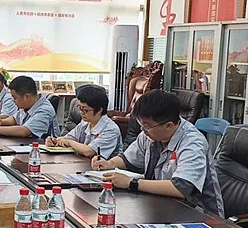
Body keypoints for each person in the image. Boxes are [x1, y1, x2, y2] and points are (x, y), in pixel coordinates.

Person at [91, 89, 224, 217]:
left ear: (169, 126)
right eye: (141, 124)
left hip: (199, 216)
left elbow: (180, 188)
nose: (143, 130)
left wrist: (132, 183)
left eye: (147, 125)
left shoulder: (193, 143)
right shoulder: (150, 134)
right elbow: (128, 160)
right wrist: (109, 163)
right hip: (161, 206)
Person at [46, 85, 122, 159]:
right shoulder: (85, 123)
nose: (81, 113)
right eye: (79, 108)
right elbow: (68, 138)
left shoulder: (110, 129)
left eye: (85, 110)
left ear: (99, 110)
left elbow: (89, 151)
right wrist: (55, 141)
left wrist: (69, 142)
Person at [0, 75, 60, 139]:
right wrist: (2, 122)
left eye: (15, 98)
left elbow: (24, 131)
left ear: (26, 97)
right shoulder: (27, 105)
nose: (13, 100)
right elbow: (15, 119)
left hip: (44, 146)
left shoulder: (44, 110)